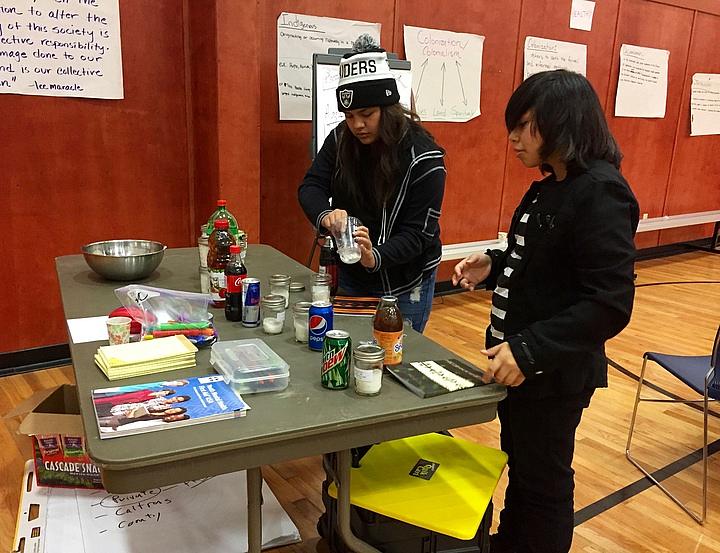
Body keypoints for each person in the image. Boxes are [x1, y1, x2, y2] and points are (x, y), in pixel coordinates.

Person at [452, 70, 639, 553]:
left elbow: (609, 302)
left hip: (552, 370)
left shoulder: (601, 190)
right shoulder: (550, 184)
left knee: (543, 482)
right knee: (523, 468)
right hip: (519, 365)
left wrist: (530, 349)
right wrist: (492, 266)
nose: (513, 138)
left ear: (564, 124)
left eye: (526, 125)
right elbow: (542, 260)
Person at [298, 34, 446, 332]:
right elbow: (310, 186)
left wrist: (373, 256)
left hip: (406, 279)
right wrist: (326, 216)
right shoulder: (341, 139)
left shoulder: (425, 158)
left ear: (388, 108)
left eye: (367, 114)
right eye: (349, 116)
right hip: (354, 272)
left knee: (396, 356)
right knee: (352, 345)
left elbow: (417, 235)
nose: (357, 125)